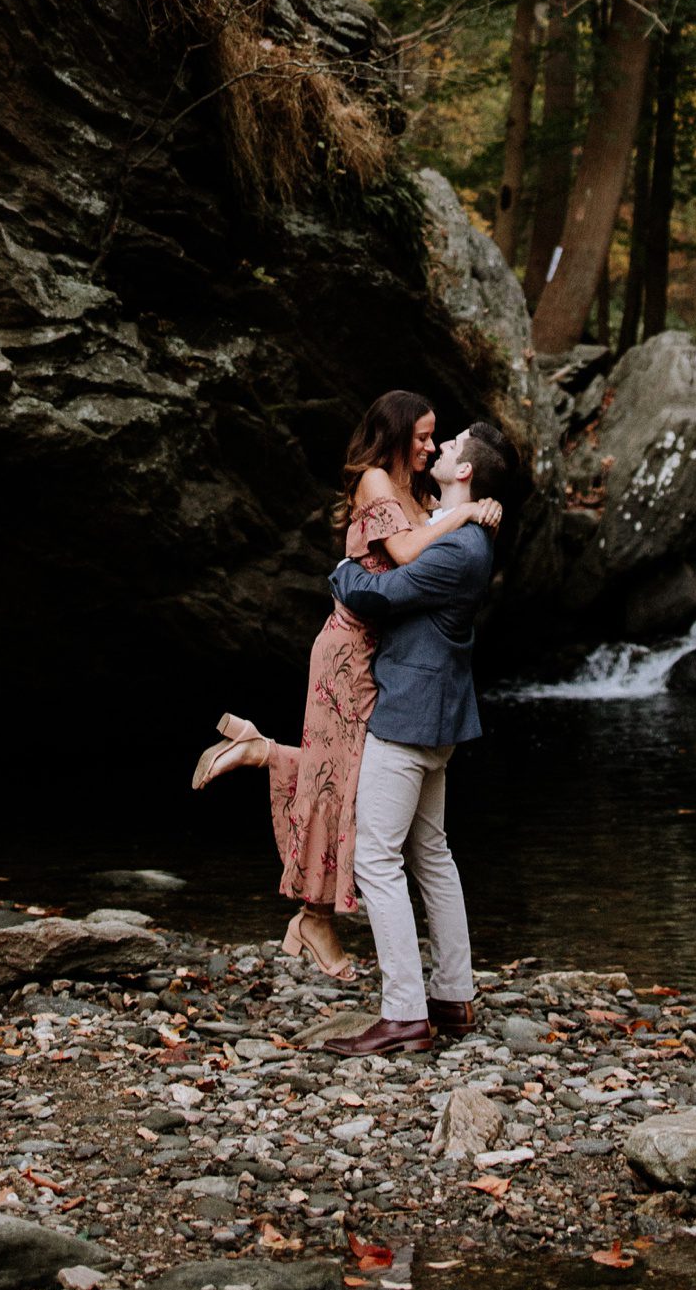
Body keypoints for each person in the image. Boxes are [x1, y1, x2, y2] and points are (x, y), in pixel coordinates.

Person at [189, 390, 503, 980]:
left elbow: (443, 519)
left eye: (436, 439)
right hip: (349, 648)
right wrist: (467, 513)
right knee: (340, 781)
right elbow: (409, 548)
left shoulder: (416, 488)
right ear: (397, 433)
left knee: (349, 777)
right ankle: (313, 916)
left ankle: (262, 753)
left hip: (383, 655)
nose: (430, 446)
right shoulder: (376, 484)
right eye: (422, 436)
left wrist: (479, 505)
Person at [323, 420, 519, 1058]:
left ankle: (404, 1012)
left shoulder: (456, 550)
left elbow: (380, 594)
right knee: (431, 852)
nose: (440, 448)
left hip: (409, 715)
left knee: (376, 860)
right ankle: (453, 995)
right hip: (440, 715)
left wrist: (343, 569)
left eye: (454, 446)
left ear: (464, 471)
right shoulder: (464, 531)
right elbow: (428, 521)